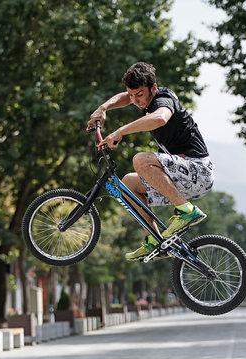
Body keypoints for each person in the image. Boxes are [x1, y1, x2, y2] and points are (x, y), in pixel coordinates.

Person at [88, 62, 214, 261]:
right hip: (182, 176)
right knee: (127, 184)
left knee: (141, 159)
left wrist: (120, 131)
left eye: (140, 95)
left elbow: (160, 119)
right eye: (132, 95)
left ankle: (187, 211)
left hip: (199, 171)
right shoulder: (141, 98)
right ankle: (155, 239)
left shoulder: (163, 99)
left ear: (153, 88)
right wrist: (103, 108)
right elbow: (125, 97)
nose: (135, 101)